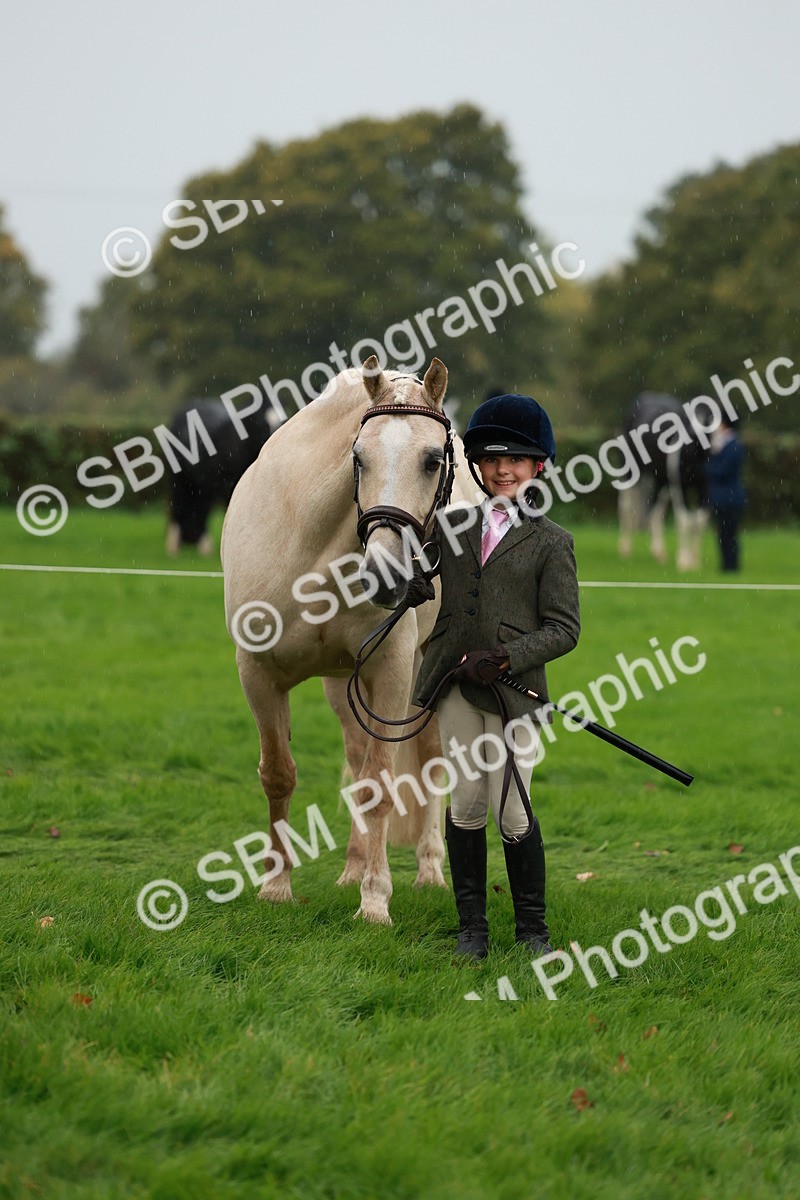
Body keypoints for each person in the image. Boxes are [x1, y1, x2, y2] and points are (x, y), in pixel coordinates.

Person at [412, 394, 581, 960]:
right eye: (490, 459)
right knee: (463, 805)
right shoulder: (452, 526)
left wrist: (508, 656)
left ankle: (532, 931)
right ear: (477, 466)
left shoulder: (553, 541)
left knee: (512, 809)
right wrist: (405, 581)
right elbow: (415, 571)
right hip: (457, 687)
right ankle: (471, 930)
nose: (502, 470)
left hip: (513, 692)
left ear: (539, 467)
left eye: (516, 460)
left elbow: (564, 629)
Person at [705, 418, 746, 572]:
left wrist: (706, 468)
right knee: (724, 535)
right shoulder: (724, 445)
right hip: (723, 498)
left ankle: (731, 566)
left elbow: (723, 470)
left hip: (729, 499)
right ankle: (727, 565)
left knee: (729, 535)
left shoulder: (733, 445)